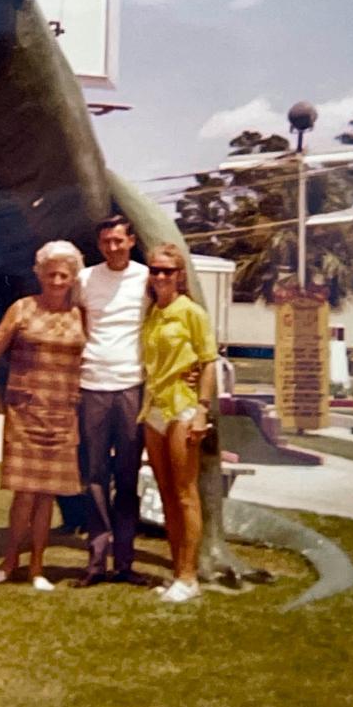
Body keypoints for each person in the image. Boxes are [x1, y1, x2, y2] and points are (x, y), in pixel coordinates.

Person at [0, 241, 86, 591]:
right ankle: (10, 560)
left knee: (47, 493)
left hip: (63, 412)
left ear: (73, 278)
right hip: (26, 412)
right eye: (51, 273)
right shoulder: (22, 309)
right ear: (39, 274)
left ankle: (37, 568)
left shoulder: (80, 314)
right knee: (25, 492)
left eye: (64, 275)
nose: (57, 281)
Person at [74, 215, 151, 587]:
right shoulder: (86, 279)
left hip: (131, 386)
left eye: (119, 240)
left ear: (131, 241)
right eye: (106, 241)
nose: (113, 247)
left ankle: (125, 562)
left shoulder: (147, 278)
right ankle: (95, 563)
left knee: (127, 476)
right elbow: (76, 324)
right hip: (92, 386)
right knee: (94, 476)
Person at [140, 243, 218, 604]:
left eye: (166, 271)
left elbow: (208, 361)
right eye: (154, 269)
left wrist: (202, 409)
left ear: (179, 275)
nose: (159, 276)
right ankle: (177, 573)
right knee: (166, 493)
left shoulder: (192, 313)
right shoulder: (153, 313)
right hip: (153, 409)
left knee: (186, 493)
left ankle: (190, 576)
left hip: (183, 408)